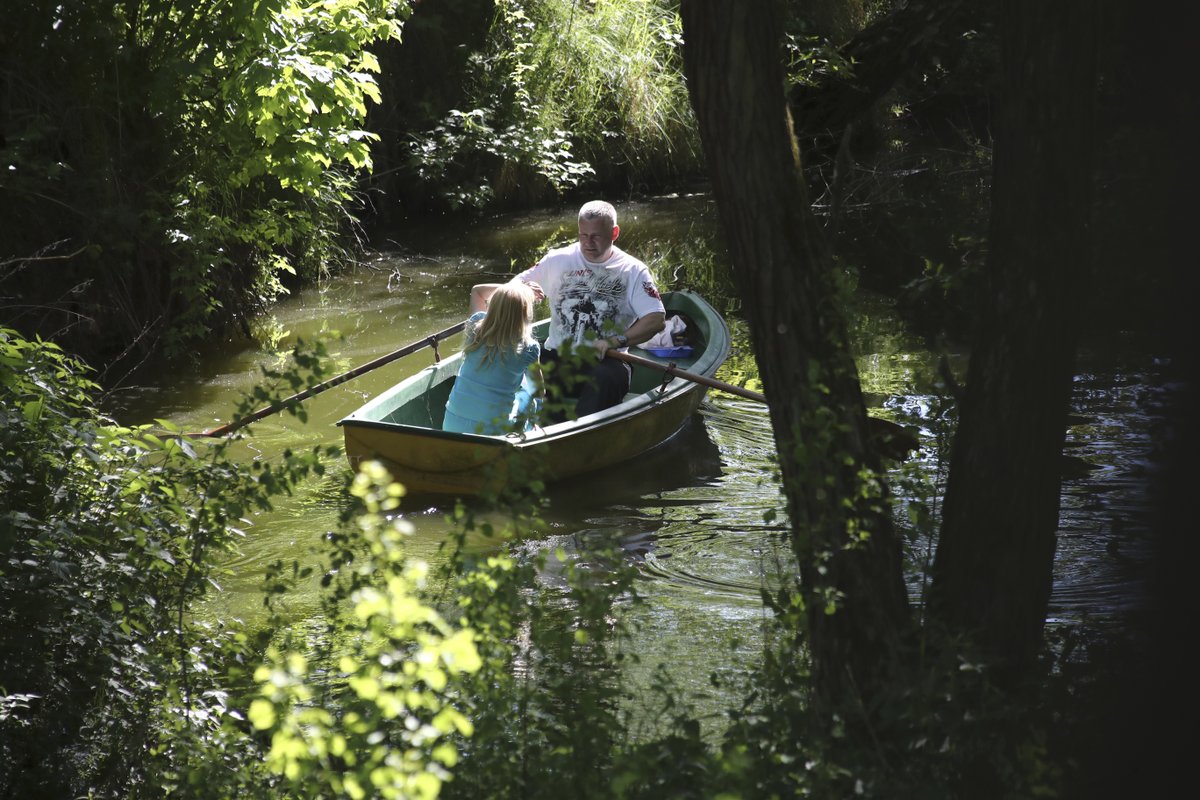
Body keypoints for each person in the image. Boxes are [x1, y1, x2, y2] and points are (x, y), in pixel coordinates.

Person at [472, 200, 666, 420]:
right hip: (557, 358)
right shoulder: (557, 259)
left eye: (596, 236)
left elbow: (656, 318)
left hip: (607, 361)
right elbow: (513, 287)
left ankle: (579, 437)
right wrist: (522, 288)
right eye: (583, 235)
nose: (588, 243)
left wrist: (614, 341)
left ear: (614, 232)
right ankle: (509, 427)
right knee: (514, 369)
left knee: (605, 380)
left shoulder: (633, 270)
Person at [442, 281, 541, 435]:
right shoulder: (529, 347)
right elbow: (539, 391)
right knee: (530, 392)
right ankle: (532, 429)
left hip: (451, 426)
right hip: (493, 434)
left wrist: (516, 287)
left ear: (493, 305)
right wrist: (521, 291)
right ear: (525, 313)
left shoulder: (475, 327)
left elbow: (477, 290)